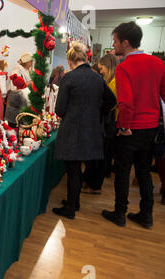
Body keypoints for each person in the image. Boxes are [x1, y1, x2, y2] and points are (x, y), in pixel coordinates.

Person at [102, 21, 165, 229]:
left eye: (115, 41)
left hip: (131, 128)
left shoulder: (125, 67)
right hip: (151, 127)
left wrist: (124, 126)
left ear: (125, 43)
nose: (114, 45)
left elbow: (126, 102)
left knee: (122, 171)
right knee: (144, 171)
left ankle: (120, 212)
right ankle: (146, 215)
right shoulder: (158, 64)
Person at [52, 42, 117, 219]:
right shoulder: (97, 78)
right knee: (78, 168)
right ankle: (75, 202)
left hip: (72, 130)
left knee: (73, 169)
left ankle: (71, 209)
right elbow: (112, 101)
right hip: (91, 131)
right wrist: (97, 114)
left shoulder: (70, 78)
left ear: (71, 60)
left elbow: (59, 110)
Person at [82, 54, 119, 194]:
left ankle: (95, 185)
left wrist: (99, 112)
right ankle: (93, 183)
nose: (101, 71)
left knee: (101, 157)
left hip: (108, 125)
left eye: (102, 68)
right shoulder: (110, 81)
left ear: (108, 67)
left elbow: (111, 102)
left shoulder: (114, 82)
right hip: (106, 124)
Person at [4, 53, 33, 125]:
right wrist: (28, 83)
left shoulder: (25, 70)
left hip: (21, 98)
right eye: (31, 62)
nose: (32, 64)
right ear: (27, 62)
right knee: (15, 122)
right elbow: (15, 87)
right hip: (16, 100)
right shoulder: (17, 70)